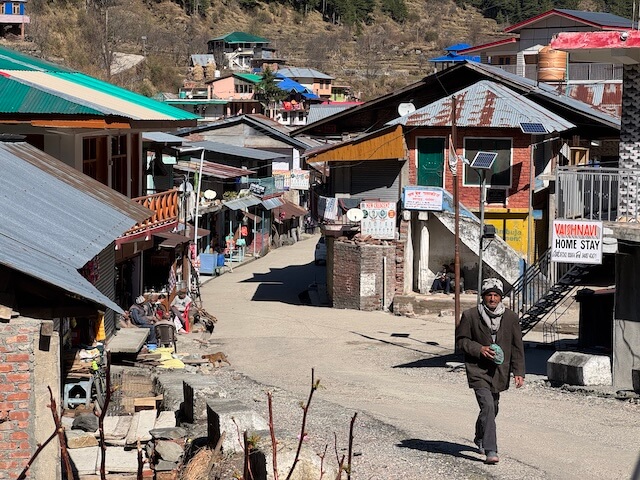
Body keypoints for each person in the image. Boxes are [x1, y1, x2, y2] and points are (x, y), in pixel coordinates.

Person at [456, 278, 525, 465]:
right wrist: (479, 349)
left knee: (493, 408)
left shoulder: (510, 317)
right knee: (487, 405)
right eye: (489, 295)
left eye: (496, 295)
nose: (492, 299)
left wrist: (519, 371)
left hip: (499, 371)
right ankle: (491, 449)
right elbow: (461, 341)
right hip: (478, 369)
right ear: (483, 297)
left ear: (500, 297)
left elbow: (517, 346)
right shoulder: (470, 316)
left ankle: (480, 436)